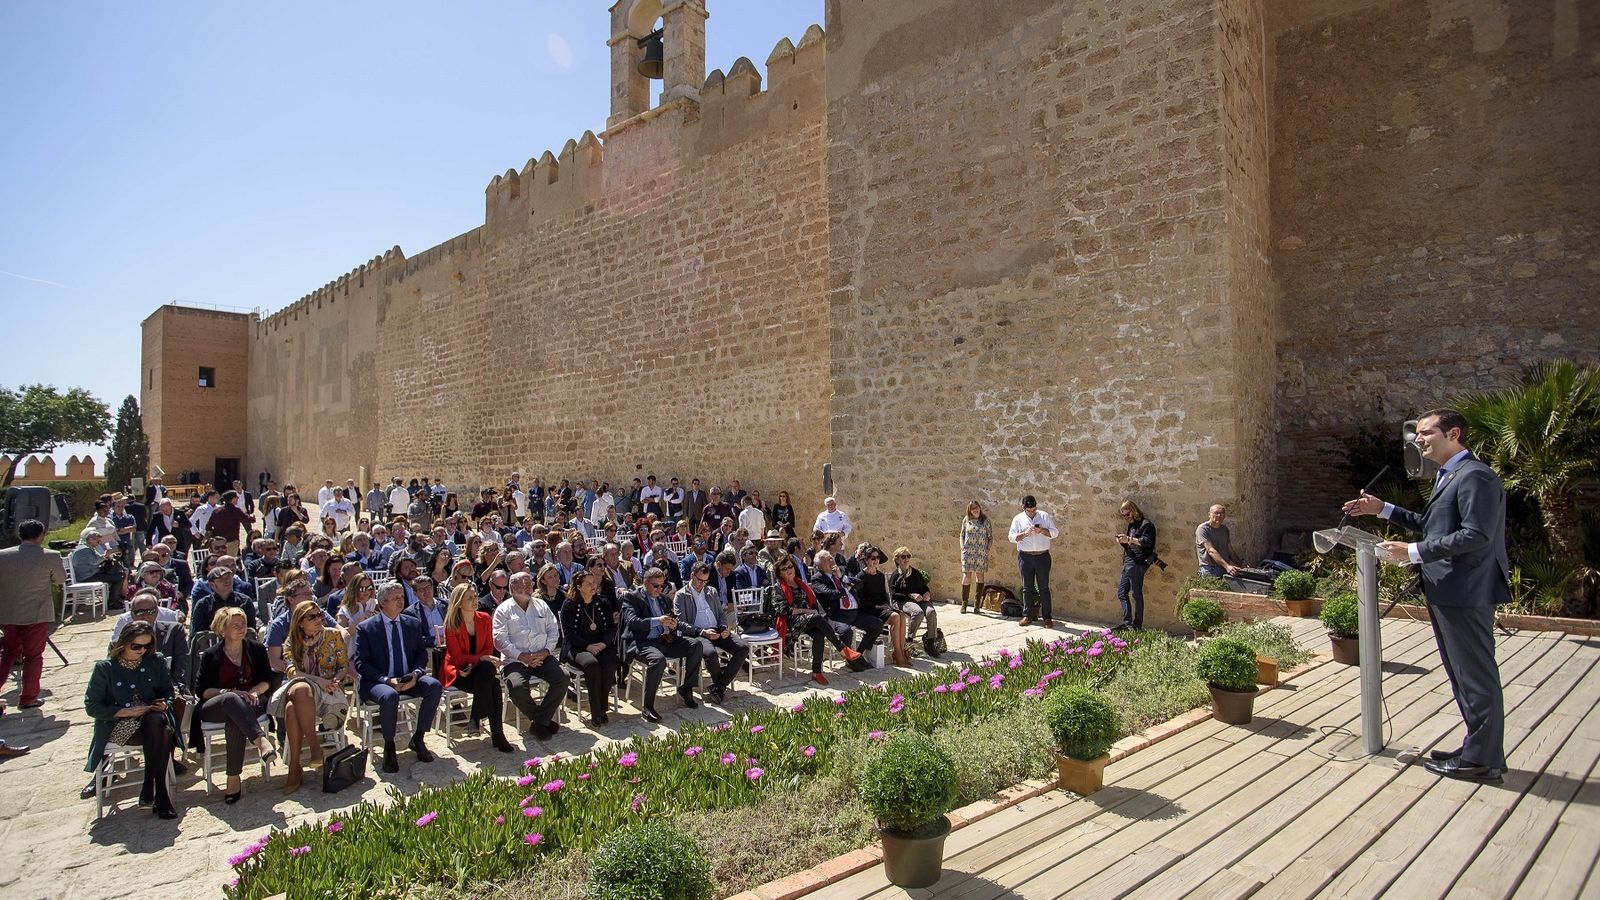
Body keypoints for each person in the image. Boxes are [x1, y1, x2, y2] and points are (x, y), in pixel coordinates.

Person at [1342, 407, 1509, 785]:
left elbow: (1477, 535)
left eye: (1425, 433)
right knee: (1462, 675)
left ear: (1454, 434)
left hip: (1465, 590)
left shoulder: (1476, 476)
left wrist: (1413, 552)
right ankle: (1476, 750)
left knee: (1476, 677)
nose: (1418, 440)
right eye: (1415, 434)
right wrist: (1381, 509)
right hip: (1448, 589)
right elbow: (1431, 526)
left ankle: (1482, 761)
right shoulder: (1449, 476)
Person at [82, 622, 178, 817]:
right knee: (163, 730)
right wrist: (125, 712)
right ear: (124, 644)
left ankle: (151, 788)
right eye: (136, 646)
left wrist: (165, 704)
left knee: (157, 721)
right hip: (120, 726)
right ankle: (159, 792)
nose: (141, 651)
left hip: (152, 721)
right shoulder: (105, 668)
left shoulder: (154, 660)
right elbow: (92, 706)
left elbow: (168, 690)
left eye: (146, 646)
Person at [352, 582, 444, 773]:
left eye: (402, 597)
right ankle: (389, 745)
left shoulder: (412, 623)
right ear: (383, 602)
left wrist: (416, 674)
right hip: (379, 681)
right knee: (389, 696)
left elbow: (421, 654)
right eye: (396, 598)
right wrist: (386, 680)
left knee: (434, 686)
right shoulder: (367, 628)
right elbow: (361, 663)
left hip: (407, 677)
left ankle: (418, 737)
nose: (401, 601)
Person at [194, 606, 280, 802]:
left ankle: (233, 778)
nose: (242, 628)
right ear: (222, 630)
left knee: (236, 719)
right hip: (216, 704)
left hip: (251, 701)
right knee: (232, 700)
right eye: (235, 625)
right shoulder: (211, 655)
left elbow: (267, 680)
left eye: (243, 624)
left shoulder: (256, 649)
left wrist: (253, 692)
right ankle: (261, 742)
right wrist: (229, 692)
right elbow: (203, 691)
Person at [269, 597, 351, 791]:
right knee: (300, 687)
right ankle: (314, 747)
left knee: (292, 707)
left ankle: (295, 767)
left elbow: (343, 667)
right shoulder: (291, 642)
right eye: (312, 617)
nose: (318, 619)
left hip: (329, 691)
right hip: (307, 688)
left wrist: (334, 682)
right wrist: (318, 681)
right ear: (300, 622)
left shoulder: (333, 636)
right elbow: (292, 671)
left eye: (319, 614)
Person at [492, 571, 569, 739]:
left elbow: (553, 630)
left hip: (542, 656)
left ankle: (540, 722)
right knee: (517, 687)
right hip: (515, 660)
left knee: (563, 677)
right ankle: (542, 720)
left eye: (530, 583)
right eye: (524, 584)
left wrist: (546, 651)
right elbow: (500, 641)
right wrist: (522, 656)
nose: (530, 587)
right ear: (513, 587)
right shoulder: (503, 610)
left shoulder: (541, 605)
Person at [620, 567, 703, 722]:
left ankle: (687, 688)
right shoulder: (633, 598)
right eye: (655, 585)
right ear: (645, 582)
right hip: (642, 642)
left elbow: (673, 620)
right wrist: (657, 621)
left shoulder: (664, 599)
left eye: (661, 586)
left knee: (696, 645)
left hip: (664, 639)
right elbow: (633, 622)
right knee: (658, 661)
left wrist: (673, 624)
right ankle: (648, 706)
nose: (659, 589)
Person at [440, 584, 514, 752]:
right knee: (492, 683)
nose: (475, 601)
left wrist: (480, 660)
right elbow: (457, 657)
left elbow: (488, 648)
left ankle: (476, 717)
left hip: (480, 670)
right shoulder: (452, 624)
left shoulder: (484, 618)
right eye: (470, 598)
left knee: (489, 674)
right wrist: (479, 659)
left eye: (475, 596)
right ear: (459, 603)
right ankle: (497, 734)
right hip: (459, 671)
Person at [0, 520, 64, 711]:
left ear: (19, 535)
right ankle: (28, 698)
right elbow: (60, 579)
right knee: (34, 656)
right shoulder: (50, 556)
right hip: (36, 613)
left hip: (8, 613)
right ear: (41, 535)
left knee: (8, 653)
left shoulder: (2, 556)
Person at [772, 555, 860, 686]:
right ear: (780, 573)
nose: (789, 570)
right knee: (817, 618)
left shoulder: (801, 583)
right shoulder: (778, 587)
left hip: (808, 620)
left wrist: (810, 611)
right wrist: (806, 611)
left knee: (819, 634)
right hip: (791, 622)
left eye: (790, 566)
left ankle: (816, 672)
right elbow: (782, 610)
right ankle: (842, 648)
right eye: (784, 569)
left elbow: (812, 604)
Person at [674, 561, 749, 704]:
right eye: (699, 580)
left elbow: (721, 614)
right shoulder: (681, 595)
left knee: (743, 648)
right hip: (698, 633)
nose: (702, 584)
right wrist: (703, 632)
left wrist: (723, 627)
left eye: (705, 581)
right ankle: (718, 687)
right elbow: (681, 623)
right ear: (692, 576)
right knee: (711, 653)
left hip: (716, 630)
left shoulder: (711, 591)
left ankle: (719, 686)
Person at [559, 570, 620, 726]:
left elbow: (611, 628)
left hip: (600, 644)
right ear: (579, 587)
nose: (594, 586)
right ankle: (596, 710)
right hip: (578, 646)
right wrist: (587, 646)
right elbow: (569, 634)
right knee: (592, 665)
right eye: (589, 584)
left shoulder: (602, 601)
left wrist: (604, 643)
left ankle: (602, 706)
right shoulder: (569, 605)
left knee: (610, 662)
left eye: (594, 583)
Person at [810, 551, 883, 668]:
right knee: (846, 631)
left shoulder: (842, 571)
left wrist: (842, 578)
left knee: (877, 624)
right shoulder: (817, 579)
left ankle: (858, 654)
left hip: (854, 612)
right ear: (820, 566)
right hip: (836, 615)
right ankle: (851, 660)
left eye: (831, 558)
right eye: (828, 560)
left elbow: (860, 584)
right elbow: (830, 594)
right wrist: (846, 589)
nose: (832, 561)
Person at [1008, 495, 1058, 627]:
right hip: (1025, 557)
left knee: (1044, 587)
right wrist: (1024, 534)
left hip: (1042, 556)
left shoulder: (1044, 516)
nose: (1032, 512)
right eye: (1029, 510)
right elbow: (1011, 537)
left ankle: (1047, 617)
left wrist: (1042, 530)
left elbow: (1055, 533)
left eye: (1034, 509)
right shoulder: (1018, 519)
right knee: (1027, 588)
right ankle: (1027, 616)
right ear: (1023, 508)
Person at [888, 547, 940, 656]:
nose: (906, 559)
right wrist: (911, 596)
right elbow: (894, 594)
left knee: (931, 612)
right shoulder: (895, 575)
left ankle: (930, 642)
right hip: (902, 600)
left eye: (908, 556)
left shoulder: (915, 572)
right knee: (918, 612)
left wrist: (927, 593)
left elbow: (924, 587)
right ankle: (910, 640)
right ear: (897, 560)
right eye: (903, 557)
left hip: (919, 599)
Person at [1115, 500, 1157, 630]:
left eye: (1127, 514)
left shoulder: (1146, 525)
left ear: (1133, 511)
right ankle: (1127, 623)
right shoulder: (1132, 526)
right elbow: (1131, 544)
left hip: (1138, 562)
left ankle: (1137, 624)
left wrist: (1128, 539)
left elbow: (1147, 542)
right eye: (1124, 516)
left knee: (1136, 594)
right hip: (1129, 561)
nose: (1126, 518)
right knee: (1122, 592)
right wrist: (1123, 542)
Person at [958, 500, 992, 614]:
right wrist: (962, 547)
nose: (975, 510)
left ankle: (977, 605)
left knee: (979, 575)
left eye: (976, 507)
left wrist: (987, 549)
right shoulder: (966, 520)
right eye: (972, 508)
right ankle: (964, 604)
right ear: (969, 510)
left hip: (981, 553)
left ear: (980, 508)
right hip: (968, 553)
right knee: (967, 575)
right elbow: (961, 535)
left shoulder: (986, 521)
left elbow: (990, 537)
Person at [1195, 504, 1242, 577]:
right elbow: (1210, 550)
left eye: (1222, 513)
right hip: (1210, 569)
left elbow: (1230, 551)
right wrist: (1227, 566)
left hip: (1224, 569)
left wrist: (1242, 566)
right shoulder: (1202, 529)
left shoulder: (1224, 530)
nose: (1219, 516)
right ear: (1209, 514)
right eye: (1216, 513)